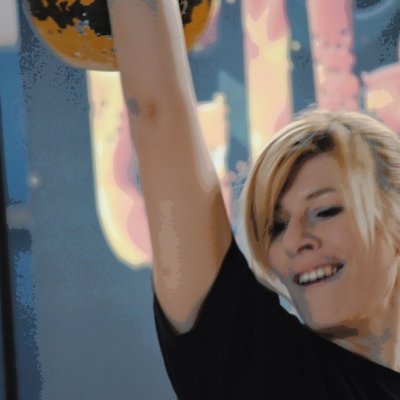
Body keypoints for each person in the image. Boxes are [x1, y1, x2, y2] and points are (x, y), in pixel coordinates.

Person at [106, 1, 400, 398]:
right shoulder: (256, 366)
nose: (293, 240)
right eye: (275, 226)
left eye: (324, 210)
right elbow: (156, 114)